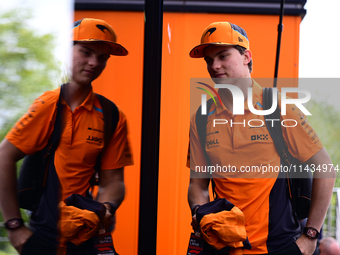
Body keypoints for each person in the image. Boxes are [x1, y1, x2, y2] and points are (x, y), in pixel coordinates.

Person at [187, 21, 336, 255]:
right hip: (221, 247)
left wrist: (310, 236)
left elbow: (325, 168)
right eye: (208, 60)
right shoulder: (202, 117)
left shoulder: (278, 107)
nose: (214, 66)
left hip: (277, 247)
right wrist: (199, 213)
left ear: (246, 56)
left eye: (223, 56)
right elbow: (197, 184)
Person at [0, 18, 133, 254]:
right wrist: (14, 225)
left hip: (87, 239)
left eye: (102, 57)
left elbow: (114, 181)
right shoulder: (50, 104)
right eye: (86, 52)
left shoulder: (113, 115)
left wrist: (106, 209)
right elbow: (4, 156)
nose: (94, 62)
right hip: (45, 237)